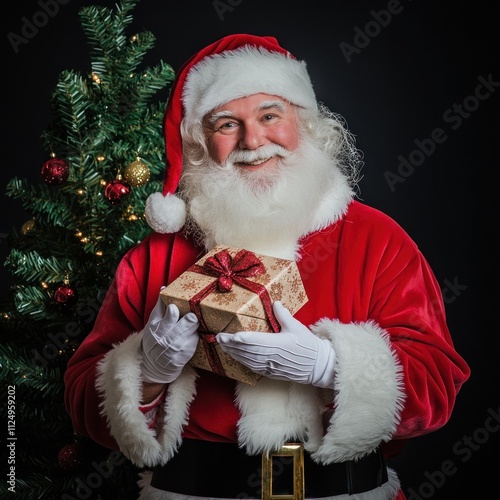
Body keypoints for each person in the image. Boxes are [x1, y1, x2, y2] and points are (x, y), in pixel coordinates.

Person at [63, 33, 471, 499]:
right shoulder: (154, 256)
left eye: (269, 116)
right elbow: (81, 401)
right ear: (200, 144)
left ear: (305, 123)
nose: (253, 141)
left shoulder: (376, 239)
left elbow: (438, 384)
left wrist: (333, 368)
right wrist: (148, 371)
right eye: (225, 124)